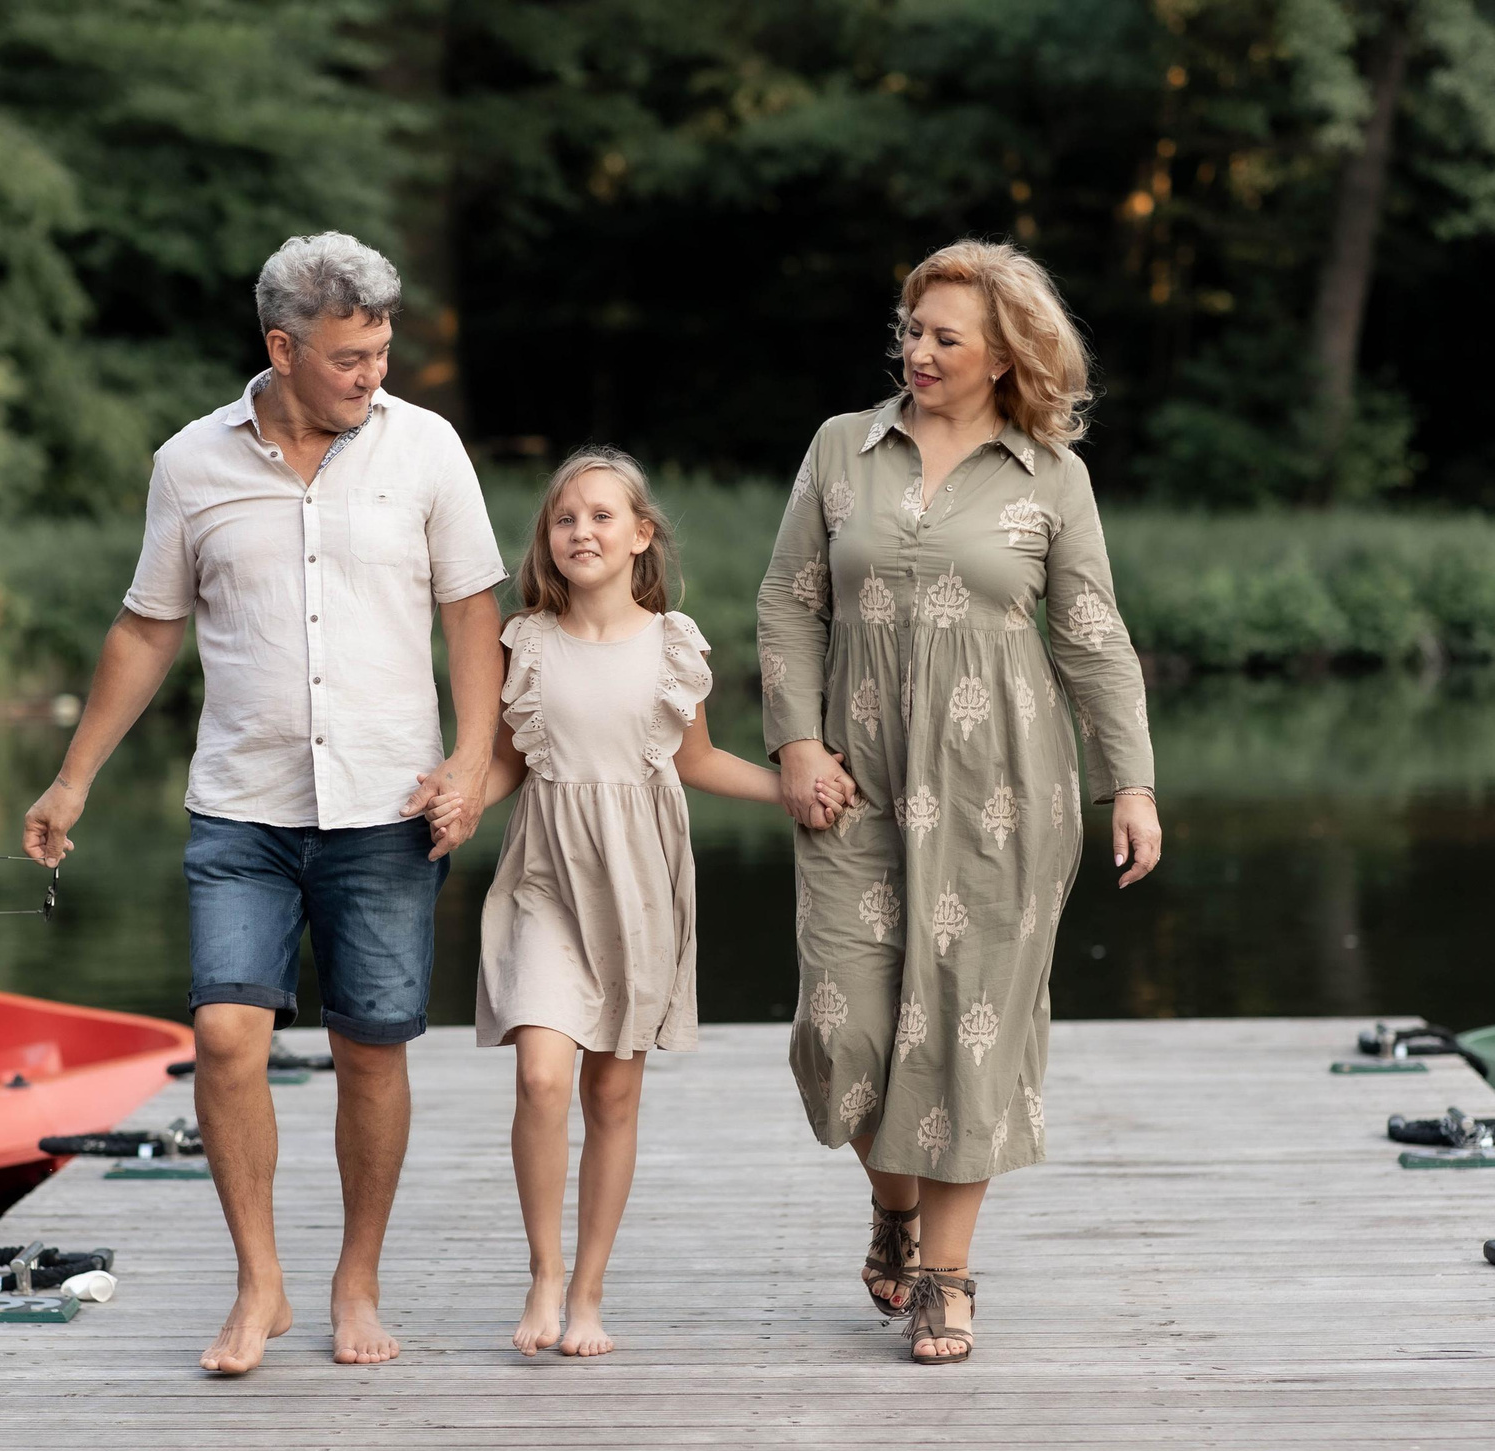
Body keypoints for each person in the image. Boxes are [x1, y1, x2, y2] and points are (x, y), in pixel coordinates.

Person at [22, 232, 508, 1375]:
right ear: (281, 349)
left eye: (382, 352)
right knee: (227, 1038)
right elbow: (148, 630)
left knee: (371, 1051)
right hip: (242, 806)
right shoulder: (192, 464)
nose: (370, 375)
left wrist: (473, 761)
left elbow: (473, 613)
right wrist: (72, 775)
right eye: (348, 357)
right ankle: (261, 1286)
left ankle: (356, 1279)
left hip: (388, 802)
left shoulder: (426, 450)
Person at [753, 238, 1163, 1365]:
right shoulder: (844, 448)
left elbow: (1090, 637)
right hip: (855, 784)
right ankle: (892, 1208)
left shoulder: (1050, 478)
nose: (919, 351)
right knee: (846, 1029)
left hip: (1004, 799)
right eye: (912, 330)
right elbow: (787, 604)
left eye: (945, 336)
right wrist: (794, 741)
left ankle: (946, 1276)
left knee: (967, 1033)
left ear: (1003, 354)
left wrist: (1127, 782)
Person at [419, 449, 783, 1358]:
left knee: (612, 1092)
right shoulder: (525, 641)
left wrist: (793, 790)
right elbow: (508, 758)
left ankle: (589, 1292)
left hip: (640, 881)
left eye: (601, 516)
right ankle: (543, 1274)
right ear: (548, 539)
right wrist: (464, 799)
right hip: (547, 874)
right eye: (564, 518)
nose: (581, 530)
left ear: (641, 535)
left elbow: (694, 761)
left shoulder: (675, 642)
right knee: (543, 1074)